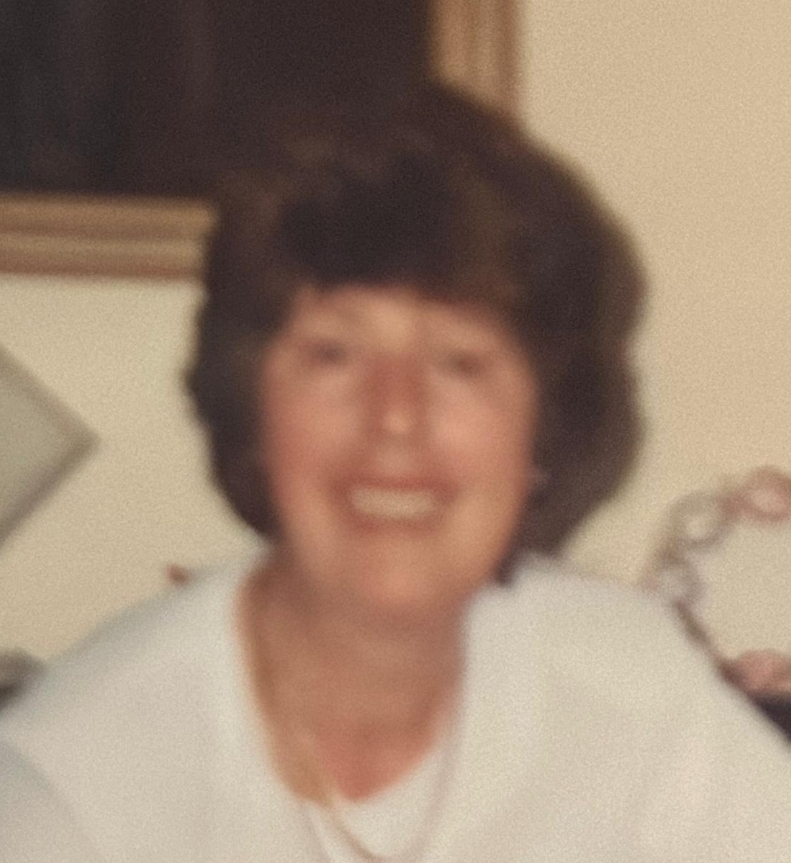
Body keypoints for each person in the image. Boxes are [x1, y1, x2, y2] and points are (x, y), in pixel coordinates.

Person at [1, 82, 790, 862]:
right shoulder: (79, 774)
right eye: (333, 354)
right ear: (251, 413)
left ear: (542, 429)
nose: (396, 414)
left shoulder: (629, 687)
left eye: (460, 362)